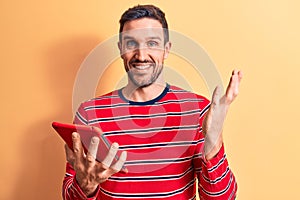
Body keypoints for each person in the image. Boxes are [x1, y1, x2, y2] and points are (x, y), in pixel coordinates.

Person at [62, 4, 242, 200]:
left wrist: (214, 142)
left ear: (166, 49)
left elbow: (222, 198)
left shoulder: (197, 110)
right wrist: (85, 188)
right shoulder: (89, 113)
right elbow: (69, 195)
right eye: (131, 44)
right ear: (121, 49)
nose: (141, 55)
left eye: (152, 43)